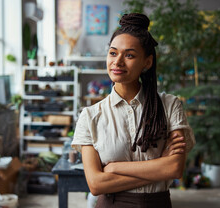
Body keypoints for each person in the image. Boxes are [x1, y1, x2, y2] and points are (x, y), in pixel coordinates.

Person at [72, 13, 195, 207]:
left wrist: (114, 168)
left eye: (129, 55)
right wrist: (158, 169)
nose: (117, 62)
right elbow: (95, 184)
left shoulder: (170, 105)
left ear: (147, 62)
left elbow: (174, 168)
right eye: (113, 53)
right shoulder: (90, 116)